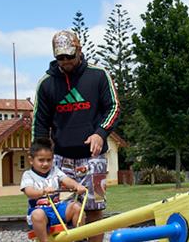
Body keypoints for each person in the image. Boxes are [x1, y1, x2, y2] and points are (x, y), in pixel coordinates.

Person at [33, 30, 120, 242]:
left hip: (94, 157)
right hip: (60, 158)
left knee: (94, 209)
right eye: (60, 57)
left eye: (69, 56)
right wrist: (39, 162)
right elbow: (40, 124)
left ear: (79, 51)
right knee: (60, 211)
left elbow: (114, 107)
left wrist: (100, 133)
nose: (65, 61)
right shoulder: (46, 84)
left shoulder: (98, 75)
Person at [21, 137, 87, 242]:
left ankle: (80, 237)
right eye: (41, 160)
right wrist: (42, 191)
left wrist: (77, 186)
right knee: (37, 215)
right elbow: (29, 192)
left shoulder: (55, 170)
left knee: (76, 207)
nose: (45, 164)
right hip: (40, 211)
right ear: (31, 160)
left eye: (49, 160)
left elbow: (66, 180)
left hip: (57, 208)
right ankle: (44, 240)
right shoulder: (28, 175)